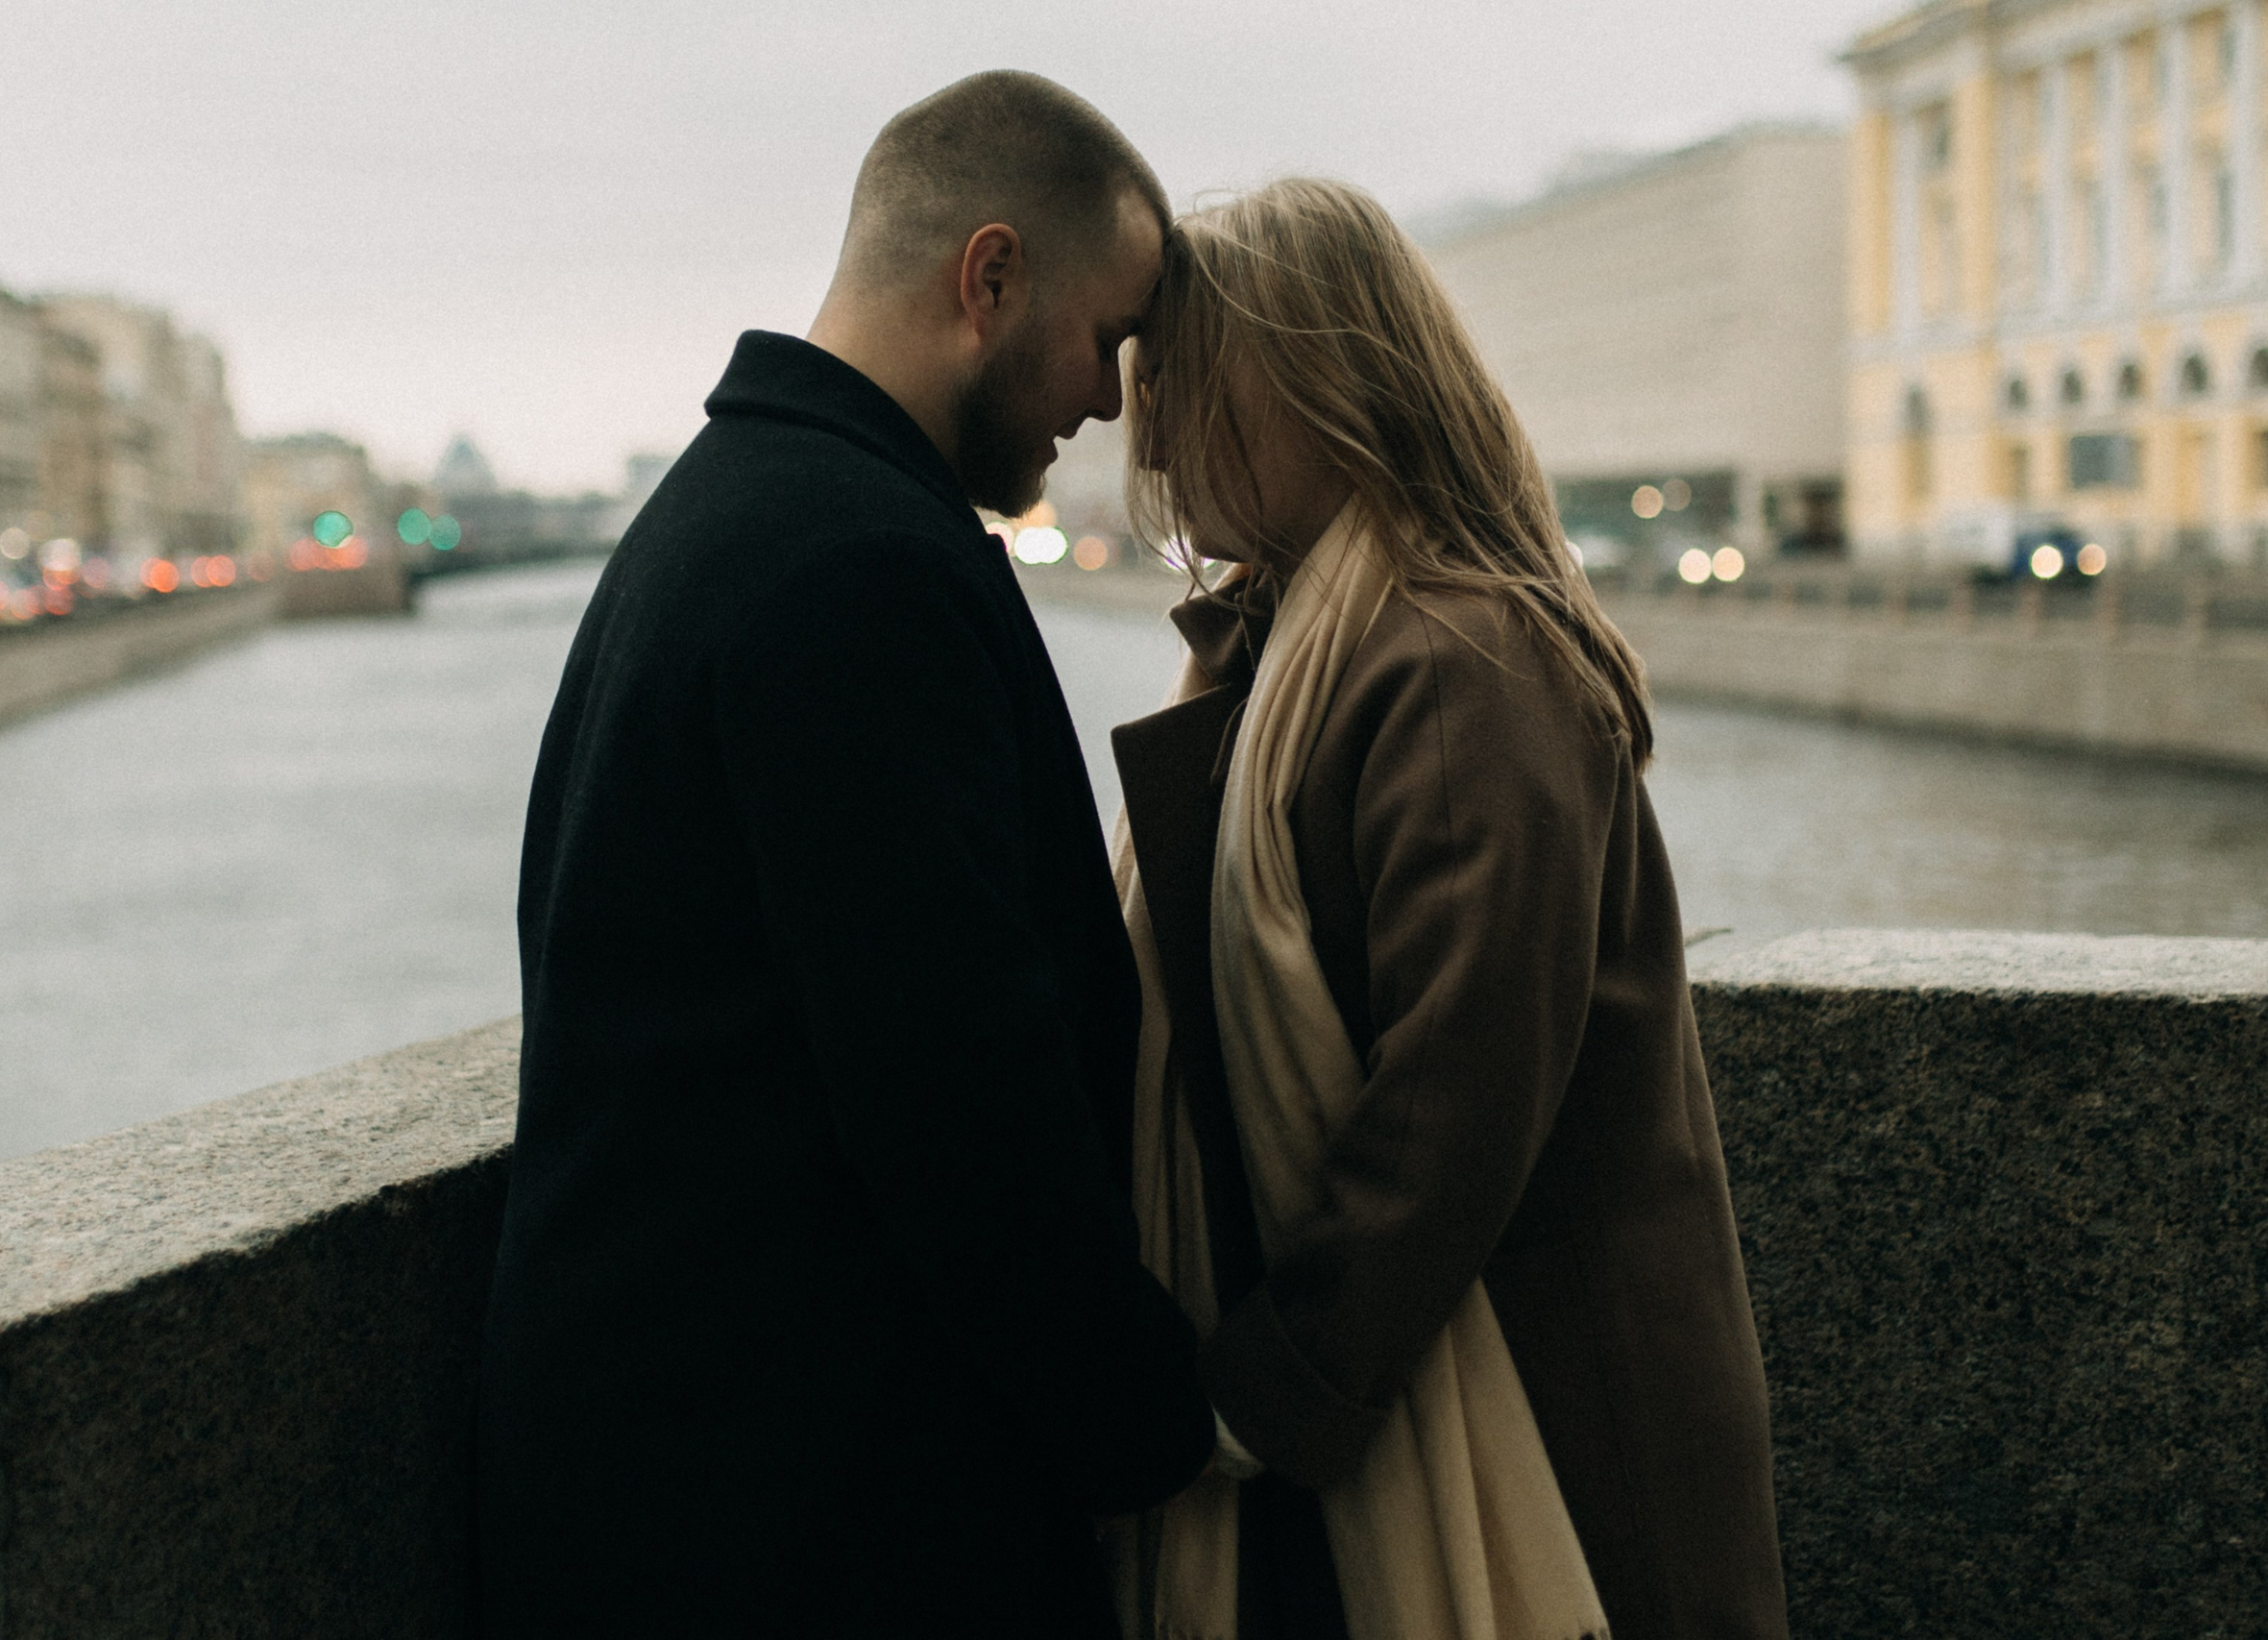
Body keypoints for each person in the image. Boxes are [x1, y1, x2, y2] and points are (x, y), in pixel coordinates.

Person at [476, 71, 1213, 1637]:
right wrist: (1154, 1415)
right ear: (990, 277)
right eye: (1108, 337)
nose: (1108, 401)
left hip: (701, 1499)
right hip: (817, 1527)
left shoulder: (731, 511)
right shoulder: (858, 567)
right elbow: (956, 1091)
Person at [1107, 178, 1790, 1639]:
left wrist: (1263, 1389)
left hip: (1534, 1415)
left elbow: (1454, 1097)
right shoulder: (1313, 643)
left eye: (1181, 389)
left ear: (1315, 383)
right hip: (1432, 1382)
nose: (1147, 442)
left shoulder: (1451, 661)